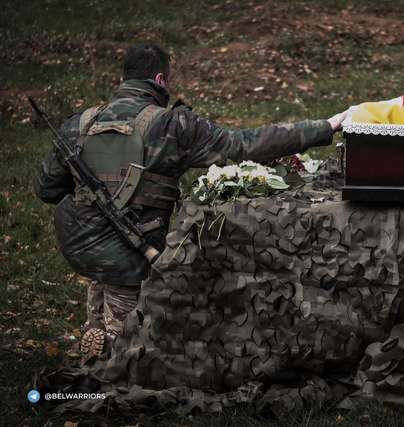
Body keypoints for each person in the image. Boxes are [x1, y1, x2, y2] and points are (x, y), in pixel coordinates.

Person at [34, 44, 347, 359]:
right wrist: (326, 127)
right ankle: (107, 365)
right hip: (131, 253)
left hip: (79, 245)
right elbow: (244, 145)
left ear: (123, 78)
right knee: (125, 351)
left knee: (104, 282)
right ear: (161, 80)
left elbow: (46, 189)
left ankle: (95, 330)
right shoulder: (172, 126)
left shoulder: (79, 123)